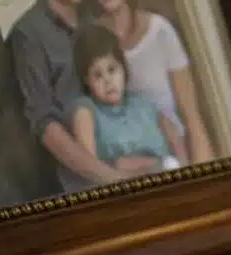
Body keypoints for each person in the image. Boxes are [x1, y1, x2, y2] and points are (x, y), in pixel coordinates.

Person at [6, 0, 127, 193]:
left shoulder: (94, 21)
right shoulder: (28, 35)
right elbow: (44, 124)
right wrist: (106, 176)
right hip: (81, 182)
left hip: (125, 158)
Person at [81, 0, 218, 164]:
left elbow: (192, 119)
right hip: (130, 164)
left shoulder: (160, 31)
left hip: (177, 154)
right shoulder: (92, 41)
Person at [67, 24, 186, 174]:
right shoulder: (85, 110)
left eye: (112, 70)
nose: (108, 81)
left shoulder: (145, 105)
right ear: (87, 80)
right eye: (98, 75)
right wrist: (156, 164)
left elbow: (175, 140)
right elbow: (93, 169)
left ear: (123, 68)